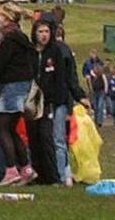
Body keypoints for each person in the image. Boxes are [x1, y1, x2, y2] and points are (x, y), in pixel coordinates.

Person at [32, 17, 88, 185]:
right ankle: (46, 173)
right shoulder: (32, 52)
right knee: (42, 138)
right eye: (40, 32)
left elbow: (68, 77)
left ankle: (62, 174)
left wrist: (79, 96)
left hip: (58, 101)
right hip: (38, 101)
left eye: (46, 32)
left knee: (58, 139)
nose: (43, 35)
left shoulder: (58, 51)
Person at [0, 5, 36, 186]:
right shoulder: (20, 36)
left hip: (12, 87)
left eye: (0, 16)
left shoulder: (8, 38)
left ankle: (11, 170)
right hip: (22, 86)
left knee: (1, 127)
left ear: (6, 18)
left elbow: (0, 65)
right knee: (11, 128)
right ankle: (26, 168)